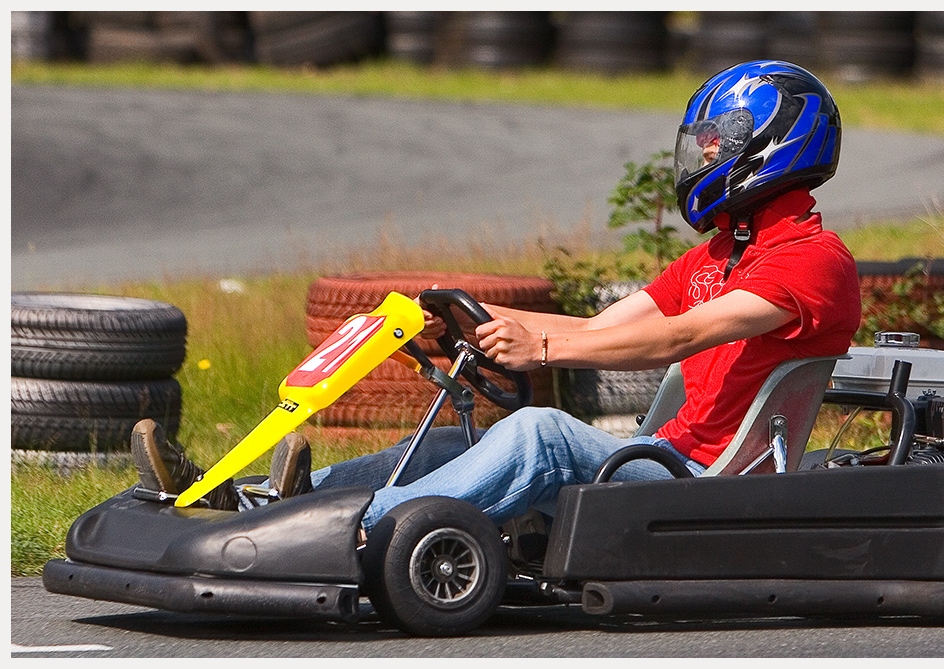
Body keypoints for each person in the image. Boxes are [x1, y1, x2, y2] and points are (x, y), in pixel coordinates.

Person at [131, 60, 862, 531]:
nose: (704, 152)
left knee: (539, 432)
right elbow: (599, 325)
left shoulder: (812, 261)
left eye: (718, 139)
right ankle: (268, 502)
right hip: (658, 455)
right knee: (458, 439)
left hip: (711, 484)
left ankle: (338, 531)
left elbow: (677, 337)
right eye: (702, 140)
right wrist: (453, 313)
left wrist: (540, 347)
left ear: (772, 142)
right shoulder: (717, 254)